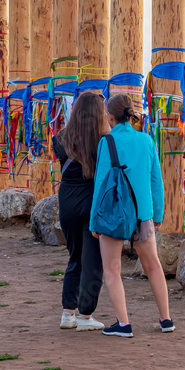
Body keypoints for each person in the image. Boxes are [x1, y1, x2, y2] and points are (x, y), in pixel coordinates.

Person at [91, 93, 174, 337]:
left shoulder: (107, 143)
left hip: (114, 214)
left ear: (110, 116)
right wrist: (157, 214)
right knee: (153, 266)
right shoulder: (147, 140)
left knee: (113, 270)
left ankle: (124, 324)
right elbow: (156, 181)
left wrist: (95, 219)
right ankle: (166, 319)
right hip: (143, 213)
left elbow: (101, 184)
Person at [52, 91, 109, 332]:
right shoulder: (103, 139)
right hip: (91, 200)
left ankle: (68, 313)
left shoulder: (61, 138)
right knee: (93, 261)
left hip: (67, 201)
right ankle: (86, 316)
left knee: (75, 257)